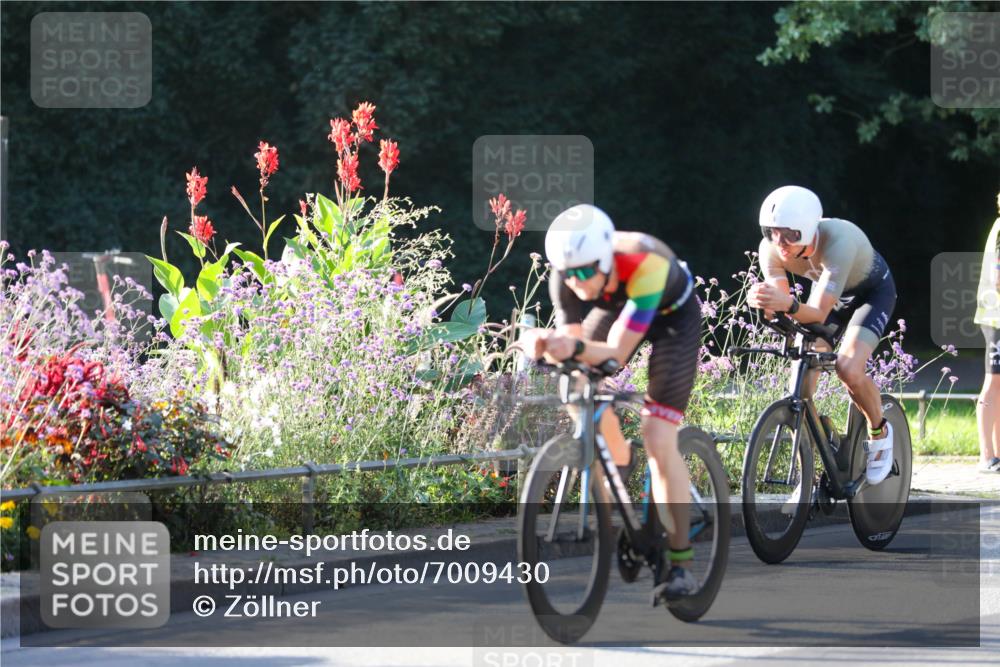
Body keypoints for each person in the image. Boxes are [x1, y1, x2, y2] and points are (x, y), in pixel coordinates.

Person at [519, 203, 701, 606]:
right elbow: (573, 352)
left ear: (604, 258)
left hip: (672, 317)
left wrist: (574, 345)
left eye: (586, 271)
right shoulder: (567, 273)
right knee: (574, 380)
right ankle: (617, 459)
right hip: (618, 303)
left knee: (657, 434)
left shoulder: (645, 263)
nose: (577, 282)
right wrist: (543, 343)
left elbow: (616, 352)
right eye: (569, 274)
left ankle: (682, 564)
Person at [747, 186, 898, 488]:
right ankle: (826, 444)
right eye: (772, 232)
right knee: (802, 386)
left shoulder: (839, 241)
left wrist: (786, 305)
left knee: (848, 367)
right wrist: (766, 304)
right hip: (828, 299)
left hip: (869, 295)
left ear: (806, 229)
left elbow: (814, 311)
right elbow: (785, 303)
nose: (780, 243)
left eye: (789, 234)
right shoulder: (770, 250)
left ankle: (879, 431)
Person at [973, 192, 1000, 474]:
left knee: (999, 386)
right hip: (995, 317)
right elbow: (998, 279)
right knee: (993, 383)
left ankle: (996, 455)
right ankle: (986, 456)